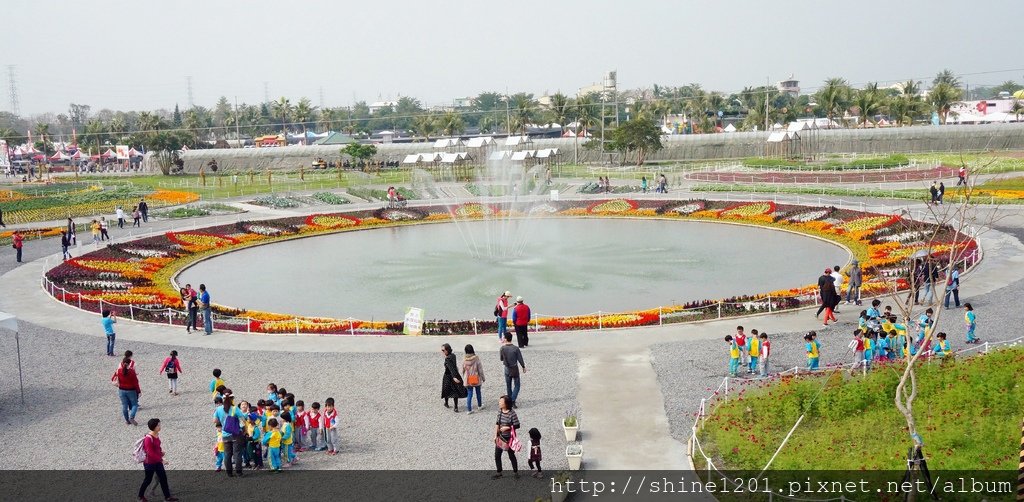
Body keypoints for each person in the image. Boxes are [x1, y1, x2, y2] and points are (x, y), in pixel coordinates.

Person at [138, 418, 177, 502]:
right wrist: (161, 460)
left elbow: (156, 447)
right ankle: (140, 496)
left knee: (163, 478)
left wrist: (160, 452)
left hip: (157, 462)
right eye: (158, 425)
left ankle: (167, 497)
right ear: (154, 427)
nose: (160, 426)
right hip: (150, 463)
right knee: (148, 480)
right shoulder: (148, 438)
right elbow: (150, 452)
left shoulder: (156, 435)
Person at [213, 391, 246, 477]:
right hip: (236, 433)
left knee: (227, 454)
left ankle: (229, 473)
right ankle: (239, 473)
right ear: (232, 399)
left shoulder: (218, 409)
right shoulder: (235, 408)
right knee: (237, 453)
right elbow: (243, 419)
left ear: (223, 399)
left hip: (225, 434)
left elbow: (215, 421)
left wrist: (223, 420)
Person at [492, 395, 521, 479]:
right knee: (497, 455)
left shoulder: (512, 413)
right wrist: (495, 435)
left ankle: (515, 472)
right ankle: (499, 472)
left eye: (501, 401)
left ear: (506, 403)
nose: (499, 403)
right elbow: (497, 423)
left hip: (509, 439)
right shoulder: (500, 412)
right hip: (500, 437)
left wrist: (507, 427)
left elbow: (517, 425)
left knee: (511, 455)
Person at [499, 333, 526, 407]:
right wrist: (523, 366)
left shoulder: (502, 348)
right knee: (517, 385)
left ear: (506, 339)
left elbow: (501, 359)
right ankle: (513, 400)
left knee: (508, 386)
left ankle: (509, 401)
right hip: (514, 368)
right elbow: (520, 358)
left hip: (507, 368)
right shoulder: (515, 348)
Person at [112, 356, 141, 425]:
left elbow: (113, 377)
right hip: (131, 390)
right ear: (129, 364)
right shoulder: (131, 372)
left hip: (121, 390)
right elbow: (136, 382)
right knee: (135, 404)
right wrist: (139, 391)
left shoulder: (119, 371)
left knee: (124, 405)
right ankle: (131, 417)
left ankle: (127, 420)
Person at [440, 343, 465, 412]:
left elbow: (451, 368)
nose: (442, 352)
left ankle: (446, 403)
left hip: (448, 376)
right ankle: (455, 407)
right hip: (455, 374)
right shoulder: (453, 356)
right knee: (455, 391)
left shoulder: (448, 359)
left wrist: (454, 377)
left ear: (447, 350)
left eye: (443, 350)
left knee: (446, 389)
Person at [462, 344, 485, 414]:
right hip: (476, 377)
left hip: (468, 379)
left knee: (469, 394)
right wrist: (483, 377)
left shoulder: (464, 359)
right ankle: (479, 405)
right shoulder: (476, 358)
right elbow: (480, 369)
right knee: (478, 392)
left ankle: (469, 409)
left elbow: (462, 370)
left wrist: (464, 376)